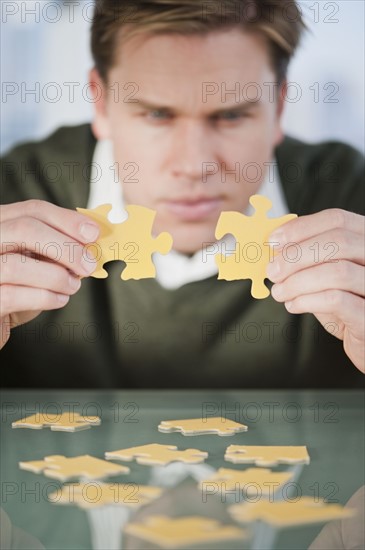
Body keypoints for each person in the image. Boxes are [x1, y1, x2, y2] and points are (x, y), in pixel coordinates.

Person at [1, 0, 364, 388]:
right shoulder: (16, 194)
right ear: (101, 102)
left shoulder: (348, 197)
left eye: (231, 115)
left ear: (278, 107)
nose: (194, 165)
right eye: (157, 115)